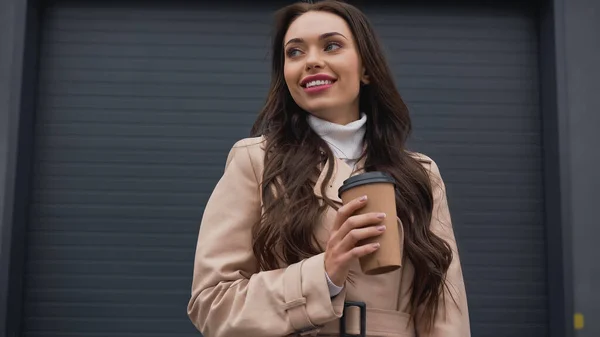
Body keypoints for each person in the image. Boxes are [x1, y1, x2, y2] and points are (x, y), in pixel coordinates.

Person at [187, 1, 470, 336]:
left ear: (366, 68)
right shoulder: (255, 162)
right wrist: (323, 274)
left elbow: (444, 312)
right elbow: (212, 303)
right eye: (294, 53)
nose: (312, 61)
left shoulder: (420, 173)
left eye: (331, 46)